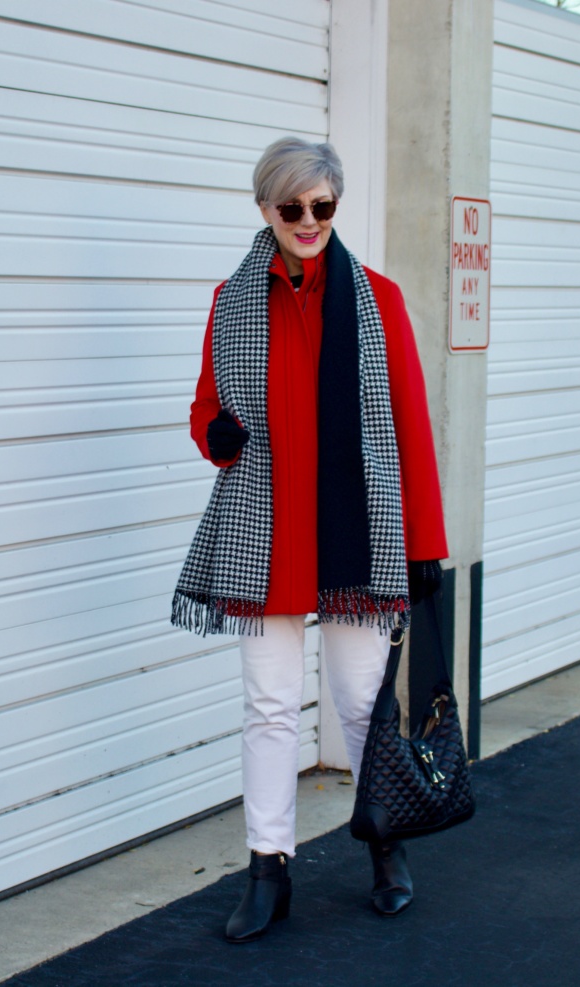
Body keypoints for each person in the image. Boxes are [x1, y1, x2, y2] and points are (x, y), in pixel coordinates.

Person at [171, 137, 448, 942]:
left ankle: (386, 844)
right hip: (267, 534)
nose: (307, 221)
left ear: (336, 205)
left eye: (322, 206)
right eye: (291, 207)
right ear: (266, 209)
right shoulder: (231, 302)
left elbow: (409, 427)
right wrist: (218, 434)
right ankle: (269, 868)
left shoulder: (381, 300)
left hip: (356, 531)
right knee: (267, 707)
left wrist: (424, 543)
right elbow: (205, 411)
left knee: (362, 703)